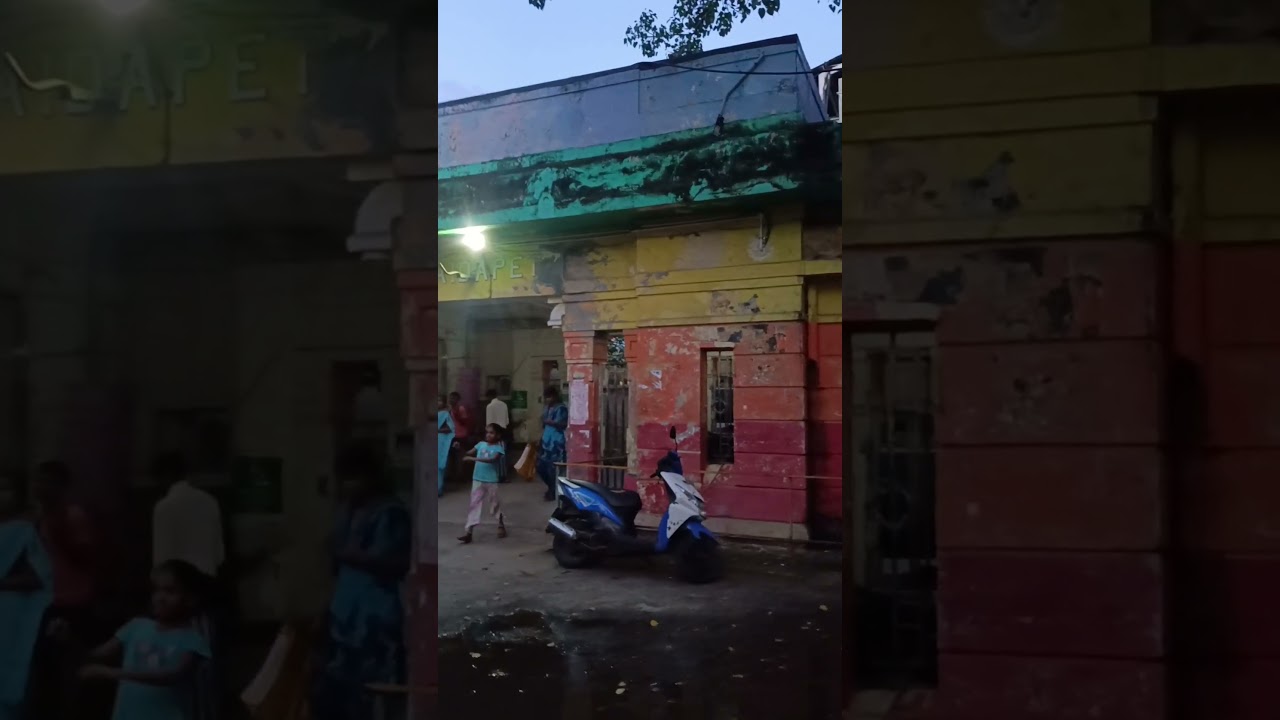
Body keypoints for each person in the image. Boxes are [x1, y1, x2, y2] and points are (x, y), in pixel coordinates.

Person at [312, 444, 410, 720]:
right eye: (344, 478)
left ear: (371, 476)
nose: (348, 485)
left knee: (374, 697)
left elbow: (398, 563)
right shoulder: (347, 511)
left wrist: (353, 556)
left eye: (354, 478)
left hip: (375, 621)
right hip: (343, 618)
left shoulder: (390, 512)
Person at [78, 559, 212, 720]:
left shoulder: (193, 639)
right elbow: (96, 654)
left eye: (170, 591)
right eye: (156, 591)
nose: (160, 598)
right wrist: (68, 638)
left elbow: (171, 676)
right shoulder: (136, 626)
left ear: (190, 598)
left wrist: (109, 673)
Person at [28, 460, 107, 720]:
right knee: (47, 667)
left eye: (45, 481)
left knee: (71, 664)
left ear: (60, 486)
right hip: (48, 600)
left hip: (73, 601)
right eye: (37, 480)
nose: (38, 486)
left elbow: (87, 555)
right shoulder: (41, 519)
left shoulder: (72, 516)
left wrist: (62, 534)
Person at [150, 453, 224, 720]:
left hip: (176, 597)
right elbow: (218, 556)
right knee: (206, 668)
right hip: (206, 594)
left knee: (174, 668)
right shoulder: (210, 502)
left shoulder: (164, 507)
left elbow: (161, 562)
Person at [0, 473, 51, 720]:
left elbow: (39, 576)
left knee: (11, 679)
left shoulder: (25, 530)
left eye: (6, 488)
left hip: (14, 616)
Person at [457, 424, 507, 544]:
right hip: (477, 479)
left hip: (491, 480)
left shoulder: (498, 449)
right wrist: (459, 448)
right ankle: (469, 532)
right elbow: (468, 453)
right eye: (487, 432)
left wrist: (473, 459)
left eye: (492, 433)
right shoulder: (480, 444)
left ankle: (501, 525)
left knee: (494, 504)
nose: (488, 435)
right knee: (474, 505)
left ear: (498, 435)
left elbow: (492, 460)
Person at [535, 386, 569, 501]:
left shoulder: (561, 408)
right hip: (546, 441)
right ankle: (550, 487)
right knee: (540, 467)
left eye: (549, 397)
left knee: (554, 468)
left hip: (556, 442)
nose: (548, 400)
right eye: (546, 398)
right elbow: (543, 424)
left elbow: (563, 424)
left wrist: (551, 422)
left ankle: (554, 490)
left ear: (554, 396)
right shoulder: (546, 408)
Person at [436, 395, 455, 498]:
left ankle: (438, 489)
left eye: (439, 400)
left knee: (439, 465)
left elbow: (450, 428)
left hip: (440, 442)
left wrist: (437, 430)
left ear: (443, 402)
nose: (437, 402)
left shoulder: (445, 414)